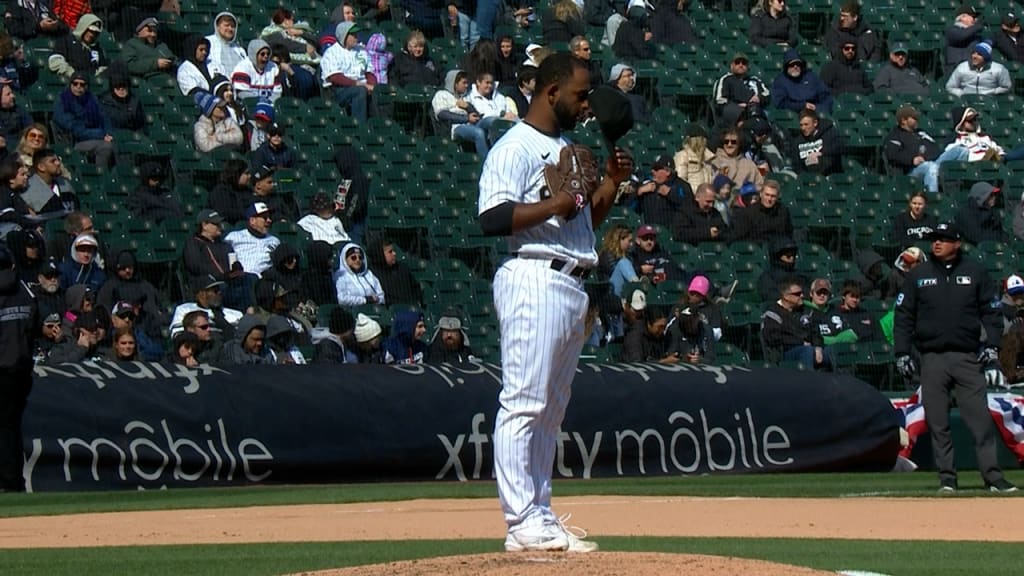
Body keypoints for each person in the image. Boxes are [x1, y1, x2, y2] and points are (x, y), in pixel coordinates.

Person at [477, 53, 632, 552]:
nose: (586, 104)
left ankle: (539, 514)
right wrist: (556, 204)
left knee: (551, 409)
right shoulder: (514, 146)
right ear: (550, 92)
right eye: (580, 95)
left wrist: (610, 181)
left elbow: (583, 224)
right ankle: (520, 516)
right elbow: (491, 218)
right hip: (533, 274)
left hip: (571, 278)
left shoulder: (567, 147)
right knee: (524, 403)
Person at [894, 222, 1018, 493]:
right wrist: (902, 352)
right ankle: (947, 479)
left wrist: (992, 346)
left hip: (967, 357)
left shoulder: (975, 272)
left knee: (980, 421)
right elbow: (903, 316)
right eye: (934, 239)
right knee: (938, 423)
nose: (937, 243)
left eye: (943, 239)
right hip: (932, 358)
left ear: (957, 243)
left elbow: (992, 313)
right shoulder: (919, 275)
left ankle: (993, 477)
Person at [0, 244, 35, 492]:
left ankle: (7, 481)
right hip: (22, 368)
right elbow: (35, 324)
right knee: (12, 426)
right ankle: (15, 480)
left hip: (1, 368)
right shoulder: (24, 290)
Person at [761, 276, 831, 369]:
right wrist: (800, 342)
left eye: (801, 293)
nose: (802, 296)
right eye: (797, 294)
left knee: (832, 351)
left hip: (808, 349)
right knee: (807, 351)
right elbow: (774, 339)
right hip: (784, 354)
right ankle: (809, 381)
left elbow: (815, 332)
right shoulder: (772, 314)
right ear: (786, 296)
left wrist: (818, 347)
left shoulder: (804, 311)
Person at [52, 72, 116, 168]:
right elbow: (76, 130)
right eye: (75, 83)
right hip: (74, 142)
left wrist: (109, 134)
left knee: (116, 143)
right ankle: (101, 176)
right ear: (70, 84)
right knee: (106, 146)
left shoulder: (92, 99)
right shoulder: (63, 101)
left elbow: (104, 118)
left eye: (82, 84)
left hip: (94, 137)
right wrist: (102, 135)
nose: (78, 87)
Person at [320, 21, 375, 122]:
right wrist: (358, 84)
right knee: (360, 91)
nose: (356, 37)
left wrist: (372, 85)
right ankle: (359, 128)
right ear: (343, 36)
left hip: (362, 85)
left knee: (379, 92)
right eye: (352, 35)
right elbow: (334, 77)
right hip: (338, 91)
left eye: (356, 34)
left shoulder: (361, 50)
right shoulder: (332, 52)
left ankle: (377, 128)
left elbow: (370, 72)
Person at [431, 69, 488, 156]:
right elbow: (442, 114)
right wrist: (466, 118)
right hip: (455, 128)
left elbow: (476, 115)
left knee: (491, 122)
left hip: (471, 124)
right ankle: (486, 163)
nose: (466, 85)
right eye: (464, 83)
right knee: (479, 133)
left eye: (467, 83)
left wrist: (468, 107)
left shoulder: (465, 97)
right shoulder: (441, 94)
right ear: (455, 83)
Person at [884, 105, 940, 192]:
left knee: (960, 151)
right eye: (914, 118)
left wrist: (924, 157)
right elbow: (892, 154)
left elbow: (935, 149)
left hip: (927, 163)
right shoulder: (895, 136)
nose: (917, 120)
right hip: (909, 171)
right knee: (931, 167)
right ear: (903, 120)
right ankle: (932, 198)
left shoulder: (921, 133)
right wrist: (912, 160)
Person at [712, 52, 770, 127]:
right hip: (736, 116)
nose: (741, 65)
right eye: (737, 62)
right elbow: (720, 101)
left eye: (744, 63)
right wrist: (737, 107)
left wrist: (759, 98)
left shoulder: (755, 80)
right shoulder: (726, 80)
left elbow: (767, 94)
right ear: (732, 65)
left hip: (757, 112)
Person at [632, 154, 691, 229]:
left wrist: (670, 194)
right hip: (648, 233)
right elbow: (631, 210)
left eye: (656, 169)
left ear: (667, 171)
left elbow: (689, 209)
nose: (652, 171)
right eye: (652, 168)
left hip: (672, 233)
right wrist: (638, 192)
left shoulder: (682, 186)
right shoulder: (646, 185)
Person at [730, 179, 793, 244]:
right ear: (761, 194)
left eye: (773, 196)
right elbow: (740, 237)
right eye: (767, 195)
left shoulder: (783, 211)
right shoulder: (749, 213)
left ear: (777, 197)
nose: (769, 199)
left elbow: (788, 234)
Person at [772, 49, 833, 114]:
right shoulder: (780, 81)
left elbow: (825, 96)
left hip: (814, 112)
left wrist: (818, 108)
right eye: (792, 65)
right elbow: (780, 103)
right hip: (793, 114)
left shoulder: (812, 77)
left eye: (798, 64)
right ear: (786, 66)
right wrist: (802, 106)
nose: (795, 67)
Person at [366, 237, 422, 307]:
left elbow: (415, 290)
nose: (394, 253)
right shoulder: (370, 275)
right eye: (390, 252)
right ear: (379, 254)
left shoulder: (402, 269)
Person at [945, 41, 1012, 97]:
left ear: (986, 58)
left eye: (979, 54)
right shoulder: (962, 67)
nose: (974, 56)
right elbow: (950, 87)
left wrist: (993, 92)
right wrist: (962, 94)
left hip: (989, 101)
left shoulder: (998, 69)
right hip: (967, 101)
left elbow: (1006, 87)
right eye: (974, 53)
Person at [334, 242, 384, 307]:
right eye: (353, 257)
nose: (357, 260)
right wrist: (365, 300)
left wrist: (378, 300)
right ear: (345, 259)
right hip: (351, 312)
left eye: (360, 257)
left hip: (373, 311)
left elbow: (381, 296)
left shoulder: (369, 274)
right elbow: (342, 299)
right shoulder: (340, 275)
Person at [793, 108, 842, 176]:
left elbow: (833, 157)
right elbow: (797, 165)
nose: (803, 128)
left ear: (815, 123)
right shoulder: (798, 141)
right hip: (806, 179)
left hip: (827, 177)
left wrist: (821, 154)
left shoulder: (829, 134)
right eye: (801, 125)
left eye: (806, 124)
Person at [673, 123, 715, 192]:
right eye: (702, 139)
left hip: (706, 196)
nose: (705, 142)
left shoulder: (708, 158)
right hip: (691, 197)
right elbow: (680, 181)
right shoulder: (683, 156)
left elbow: (710, 179)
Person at [944, 4, 984, 75]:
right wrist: (977, 26)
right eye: (973, 17)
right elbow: (961, 36)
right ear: (963, 17)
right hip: (956, 70)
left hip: (973, 70)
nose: (975, 19)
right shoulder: (952, 30)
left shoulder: (975, 34)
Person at [206, 12, 247, 78]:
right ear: (217, 26)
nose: (230, 29)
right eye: (227, 25)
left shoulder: (240, 50)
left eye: (233, 26)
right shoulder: (207, 43)